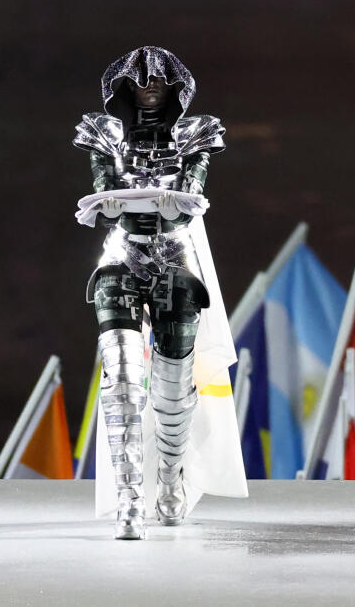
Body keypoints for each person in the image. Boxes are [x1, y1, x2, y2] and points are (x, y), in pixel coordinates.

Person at [73, 46, 238, 540]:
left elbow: (189, 203)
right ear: (124, 86)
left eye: (159, 82)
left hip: (174, 262)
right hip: (122, 257)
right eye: (141, 81)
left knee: (170, 388)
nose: (149, 87)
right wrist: (110, 202)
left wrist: (151, 201)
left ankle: (170, 477)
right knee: (121, 381)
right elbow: (104, 193)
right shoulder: (106, 133)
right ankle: (128, 499)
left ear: (174, 88)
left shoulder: (196, 133)